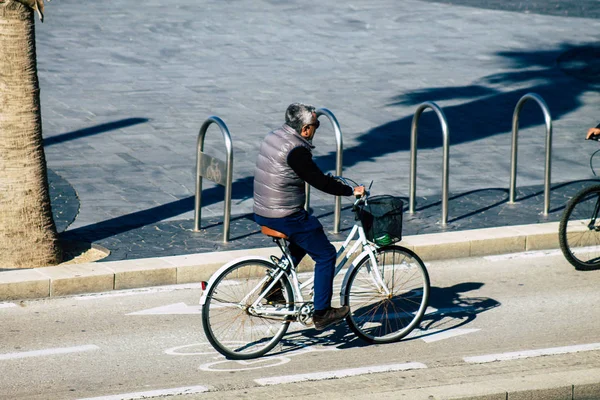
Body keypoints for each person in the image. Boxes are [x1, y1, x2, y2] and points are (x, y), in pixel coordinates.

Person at [253, 103, 365, 331]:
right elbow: (318, 180)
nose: (316, 129)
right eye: (316, 125)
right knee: (325, 254)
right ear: (305, 129)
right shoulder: (296, 151)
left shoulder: (275, 135)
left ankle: (274, 286)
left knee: (304, 239)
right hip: (284, 213)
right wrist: (350, 191)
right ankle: (322, 313)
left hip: (263, 209)